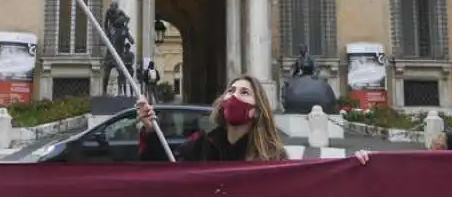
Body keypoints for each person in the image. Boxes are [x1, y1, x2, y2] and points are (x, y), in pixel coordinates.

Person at [137, 74, 371, 163]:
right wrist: (149, 130)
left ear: (257, 110)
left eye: (244, 92)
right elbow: (162, 171)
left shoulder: (274, 157)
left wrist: (353, 165)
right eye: (231, 91)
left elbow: (310, 184)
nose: (234, 96)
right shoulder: (200, 144)